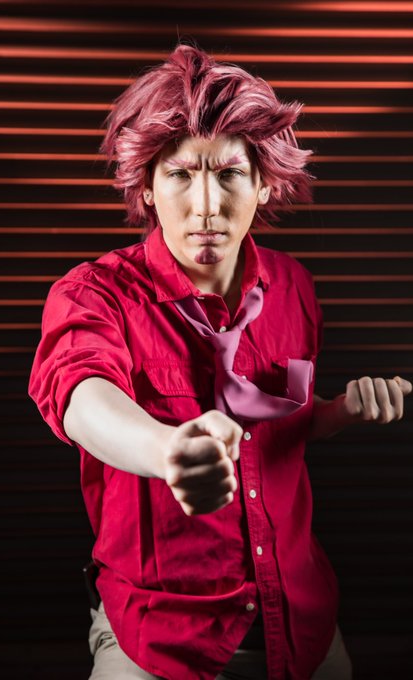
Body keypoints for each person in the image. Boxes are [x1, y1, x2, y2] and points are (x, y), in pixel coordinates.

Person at [29, 44, 411, 680]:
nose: (206, 205)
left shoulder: (294, 287)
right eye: (180, 175)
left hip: (301, 618)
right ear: (146, 187)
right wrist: (164, 450)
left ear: (263, 183)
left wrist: (339, 412)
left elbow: (282, 425)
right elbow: (81, 394)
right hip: (159, 635)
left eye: (229, 173)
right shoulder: (94, 293)